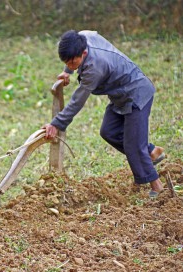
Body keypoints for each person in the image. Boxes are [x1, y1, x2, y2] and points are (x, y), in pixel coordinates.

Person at [43, 30, 165, 198]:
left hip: (136, 94)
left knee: (134, 145)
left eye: (73, 62)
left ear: (84, 53)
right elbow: (74, 51)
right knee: (109, 131)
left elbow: (78, 100)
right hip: (119, 95)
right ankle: (151, 151)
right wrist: (68, 71)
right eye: (66, 62)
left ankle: (156, 185)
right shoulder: (84, 36)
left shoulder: (94, 68)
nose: (71, 65)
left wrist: (57, 123)